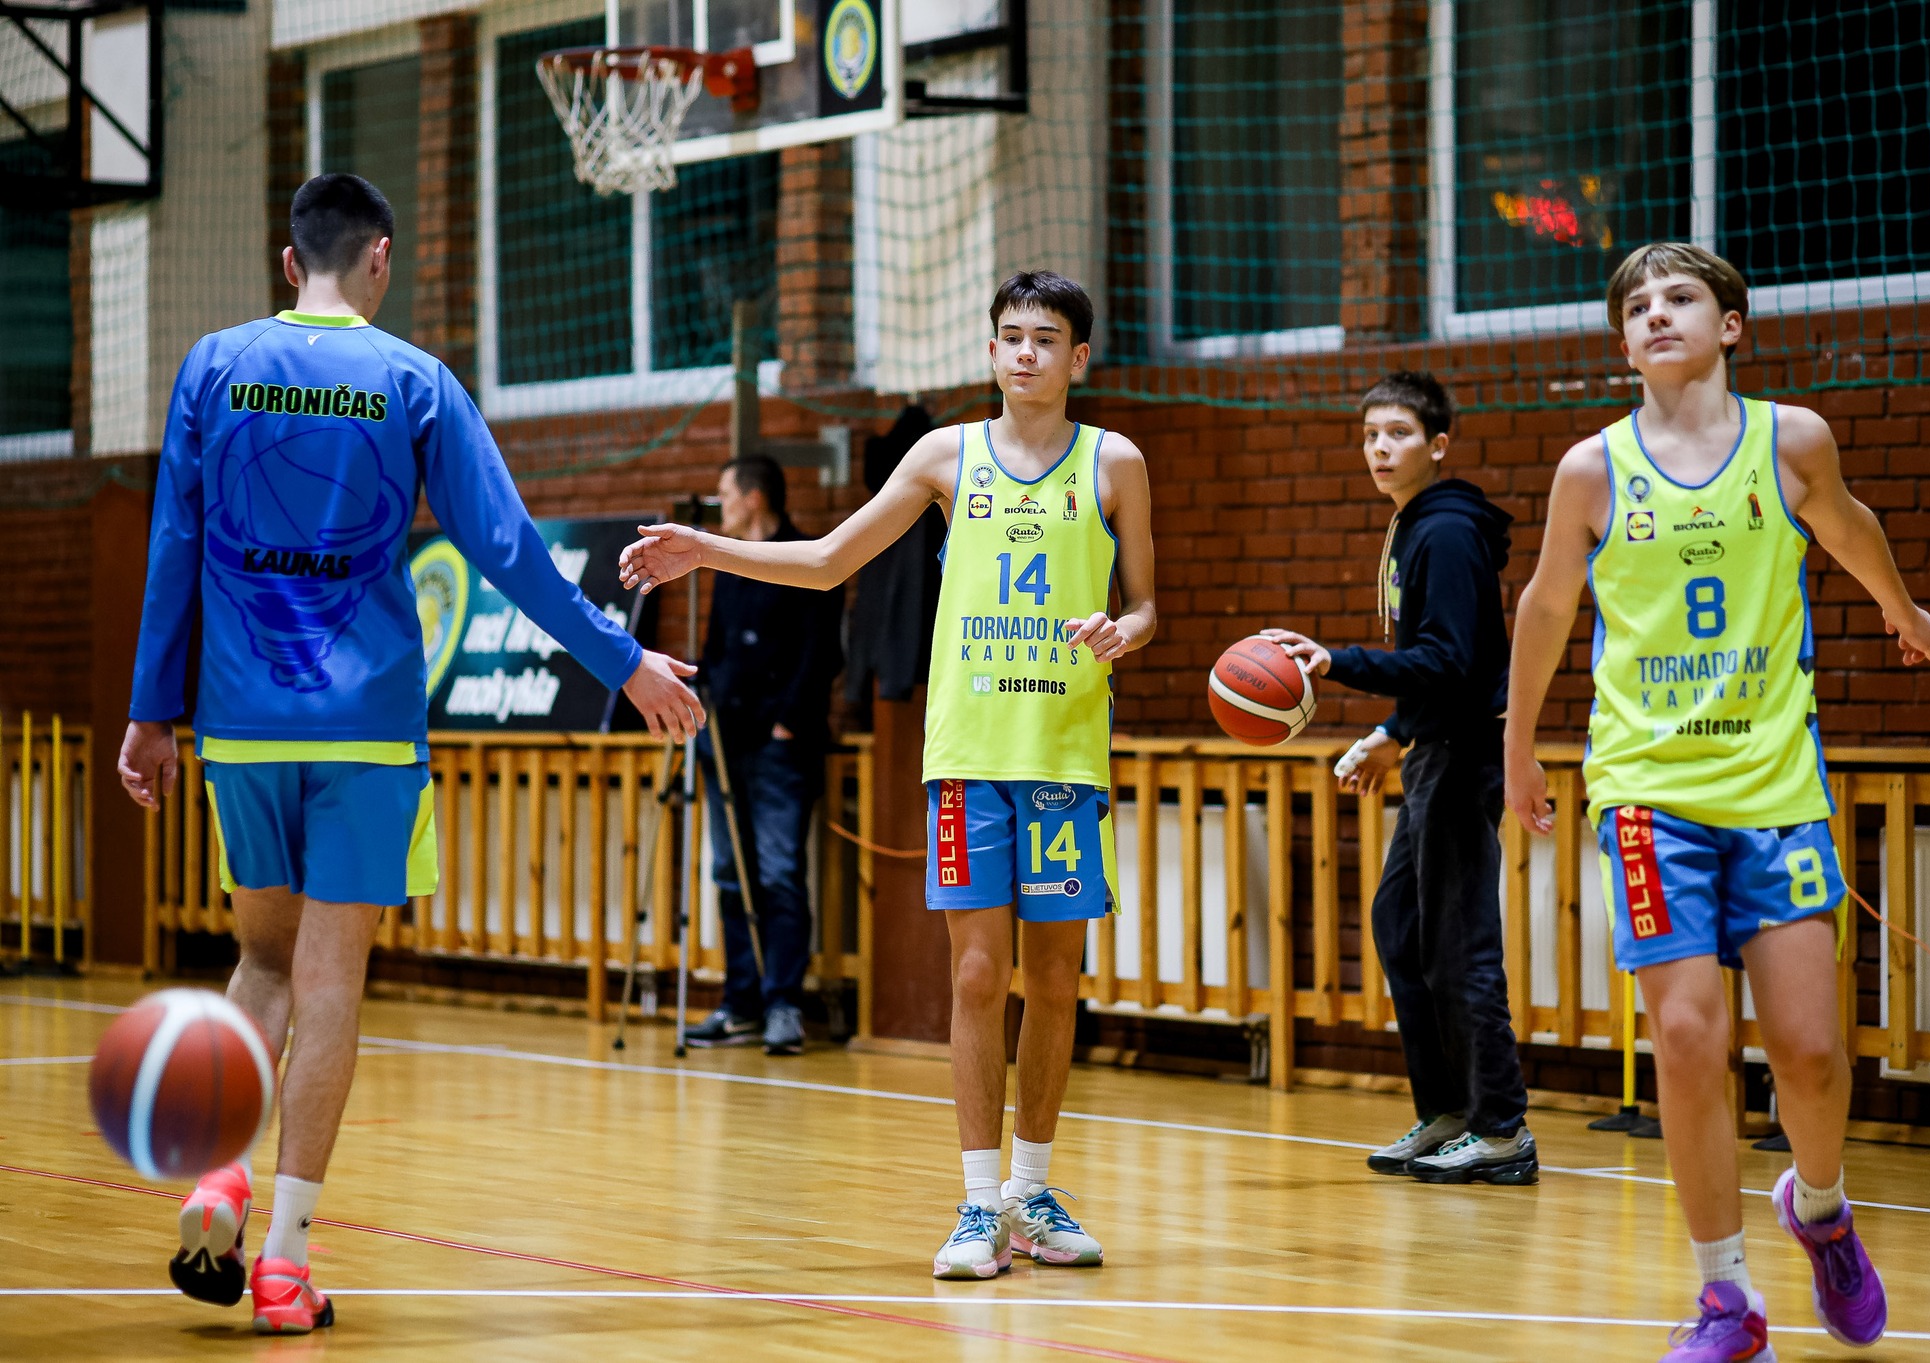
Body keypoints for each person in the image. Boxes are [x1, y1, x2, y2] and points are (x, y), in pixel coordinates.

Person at [117, 173, 703, 1336]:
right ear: (380, 258)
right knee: (330, 982)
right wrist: (622, 660)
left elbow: (174, 540)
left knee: (262, 962)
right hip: (368, 729)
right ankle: (282, 1266)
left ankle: (220, 1175)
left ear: (291, 262)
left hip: (242, 723)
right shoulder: (415, 380)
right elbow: (507, 548)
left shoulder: (212, 366)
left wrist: (150, 712)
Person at [622, 270, 1156, 1281]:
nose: (1027, 351)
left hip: (1062, 752)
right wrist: (706, 548)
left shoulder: (1114, 461)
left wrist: (1121, 632)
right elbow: (830, 559)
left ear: (1079, 357)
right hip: (967, 754)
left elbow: (1146, 605)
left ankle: (1032, 1190)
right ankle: (976, 1204)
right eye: (1011, 335)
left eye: (1046, 337)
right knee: (976, 973)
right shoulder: (944, 455)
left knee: (1053, 979)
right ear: (990, 351)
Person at [1504, 242, 1930, 1362]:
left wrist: (1899, 607)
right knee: (1690, 1038)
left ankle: (1821, 1210)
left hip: (1773, 786)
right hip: (1646, 790)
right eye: (1637, 306)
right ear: (1622, 344)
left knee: (1809, 1054)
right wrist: (1517, 749)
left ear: (1730, 324)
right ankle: (1725, 1301)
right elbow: (1545, 608)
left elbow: (1848, 526)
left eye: (1681, 297)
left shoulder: (1790, 440)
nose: (1656, 314)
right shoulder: (1590, 471)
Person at [1263, 371, 1535, 1186]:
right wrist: (1393, 732)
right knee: (1402, 926)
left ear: (1438, 444)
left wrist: (1336, 662)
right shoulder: (1414, 523)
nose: (1380, 448)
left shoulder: (1445, 532)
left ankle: (1501, 1129)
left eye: (1399, 434)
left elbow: (1451, 661)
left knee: (1459, 943)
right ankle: (1448, 1109)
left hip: (1462, 754)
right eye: (1371, 435)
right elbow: (1449, 666)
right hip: (1434, 748)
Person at [682, 455, 844, 1056]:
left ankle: (783, 1004)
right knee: (731, 874)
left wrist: (786, 725)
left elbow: (821, 654)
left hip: (780, 747)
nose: (719, 505)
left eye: (726, 493)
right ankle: (740, 1002)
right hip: (726, 743)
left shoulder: (808, 556)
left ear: (753, 498)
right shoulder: (728, 566)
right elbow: (715, 649)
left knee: (778, 874)